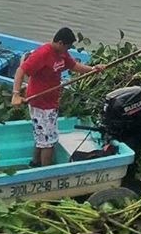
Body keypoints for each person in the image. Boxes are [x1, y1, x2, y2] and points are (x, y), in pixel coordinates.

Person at [11, 27, 104, 167]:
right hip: (39, 102)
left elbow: (73, 66)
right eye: (67, 47)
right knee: (48, 142)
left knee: (42, 137)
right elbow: (20, 71)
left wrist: (93, 69)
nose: (67, 51)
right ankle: (46, 171)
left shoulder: (62, 54)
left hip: (51, 102)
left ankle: (35, 163)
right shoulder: (43, 53)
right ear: (60, 43)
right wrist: (16, 95)